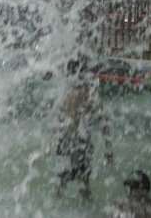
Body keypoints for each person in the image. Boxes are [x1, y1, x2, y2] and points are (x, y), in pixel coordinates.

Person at [52, 55, 113, 199]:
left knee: (77, 182)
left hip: (79, 141)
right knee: (65, 181)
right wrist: (51, 140)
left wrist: (108, 149)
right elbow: (60, 119)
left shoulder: (90, 94)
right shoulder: (69, 93)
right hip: (69, 140)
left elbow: (103, 121)